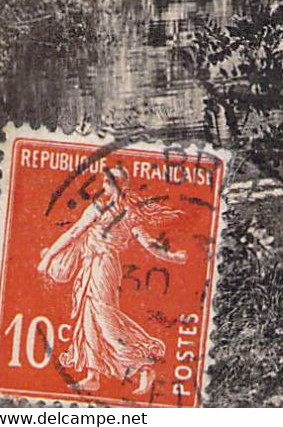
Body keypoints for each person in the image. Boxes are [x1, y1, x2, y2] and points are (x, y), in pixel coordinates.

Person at [37, 166, 186, 397]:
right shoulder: (117, 211)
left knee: (104, 319)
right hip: (93, 265)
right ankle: (93, 375)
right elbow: (76, 232)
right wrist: (172, 256)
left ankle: (142, 365)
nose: (103, 187)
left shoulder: (113, 211)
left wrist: (47, 258)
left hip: (103, 266)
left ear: (118, 185)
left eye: (107, 183)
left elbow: (75, 233)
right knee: (88, 319)